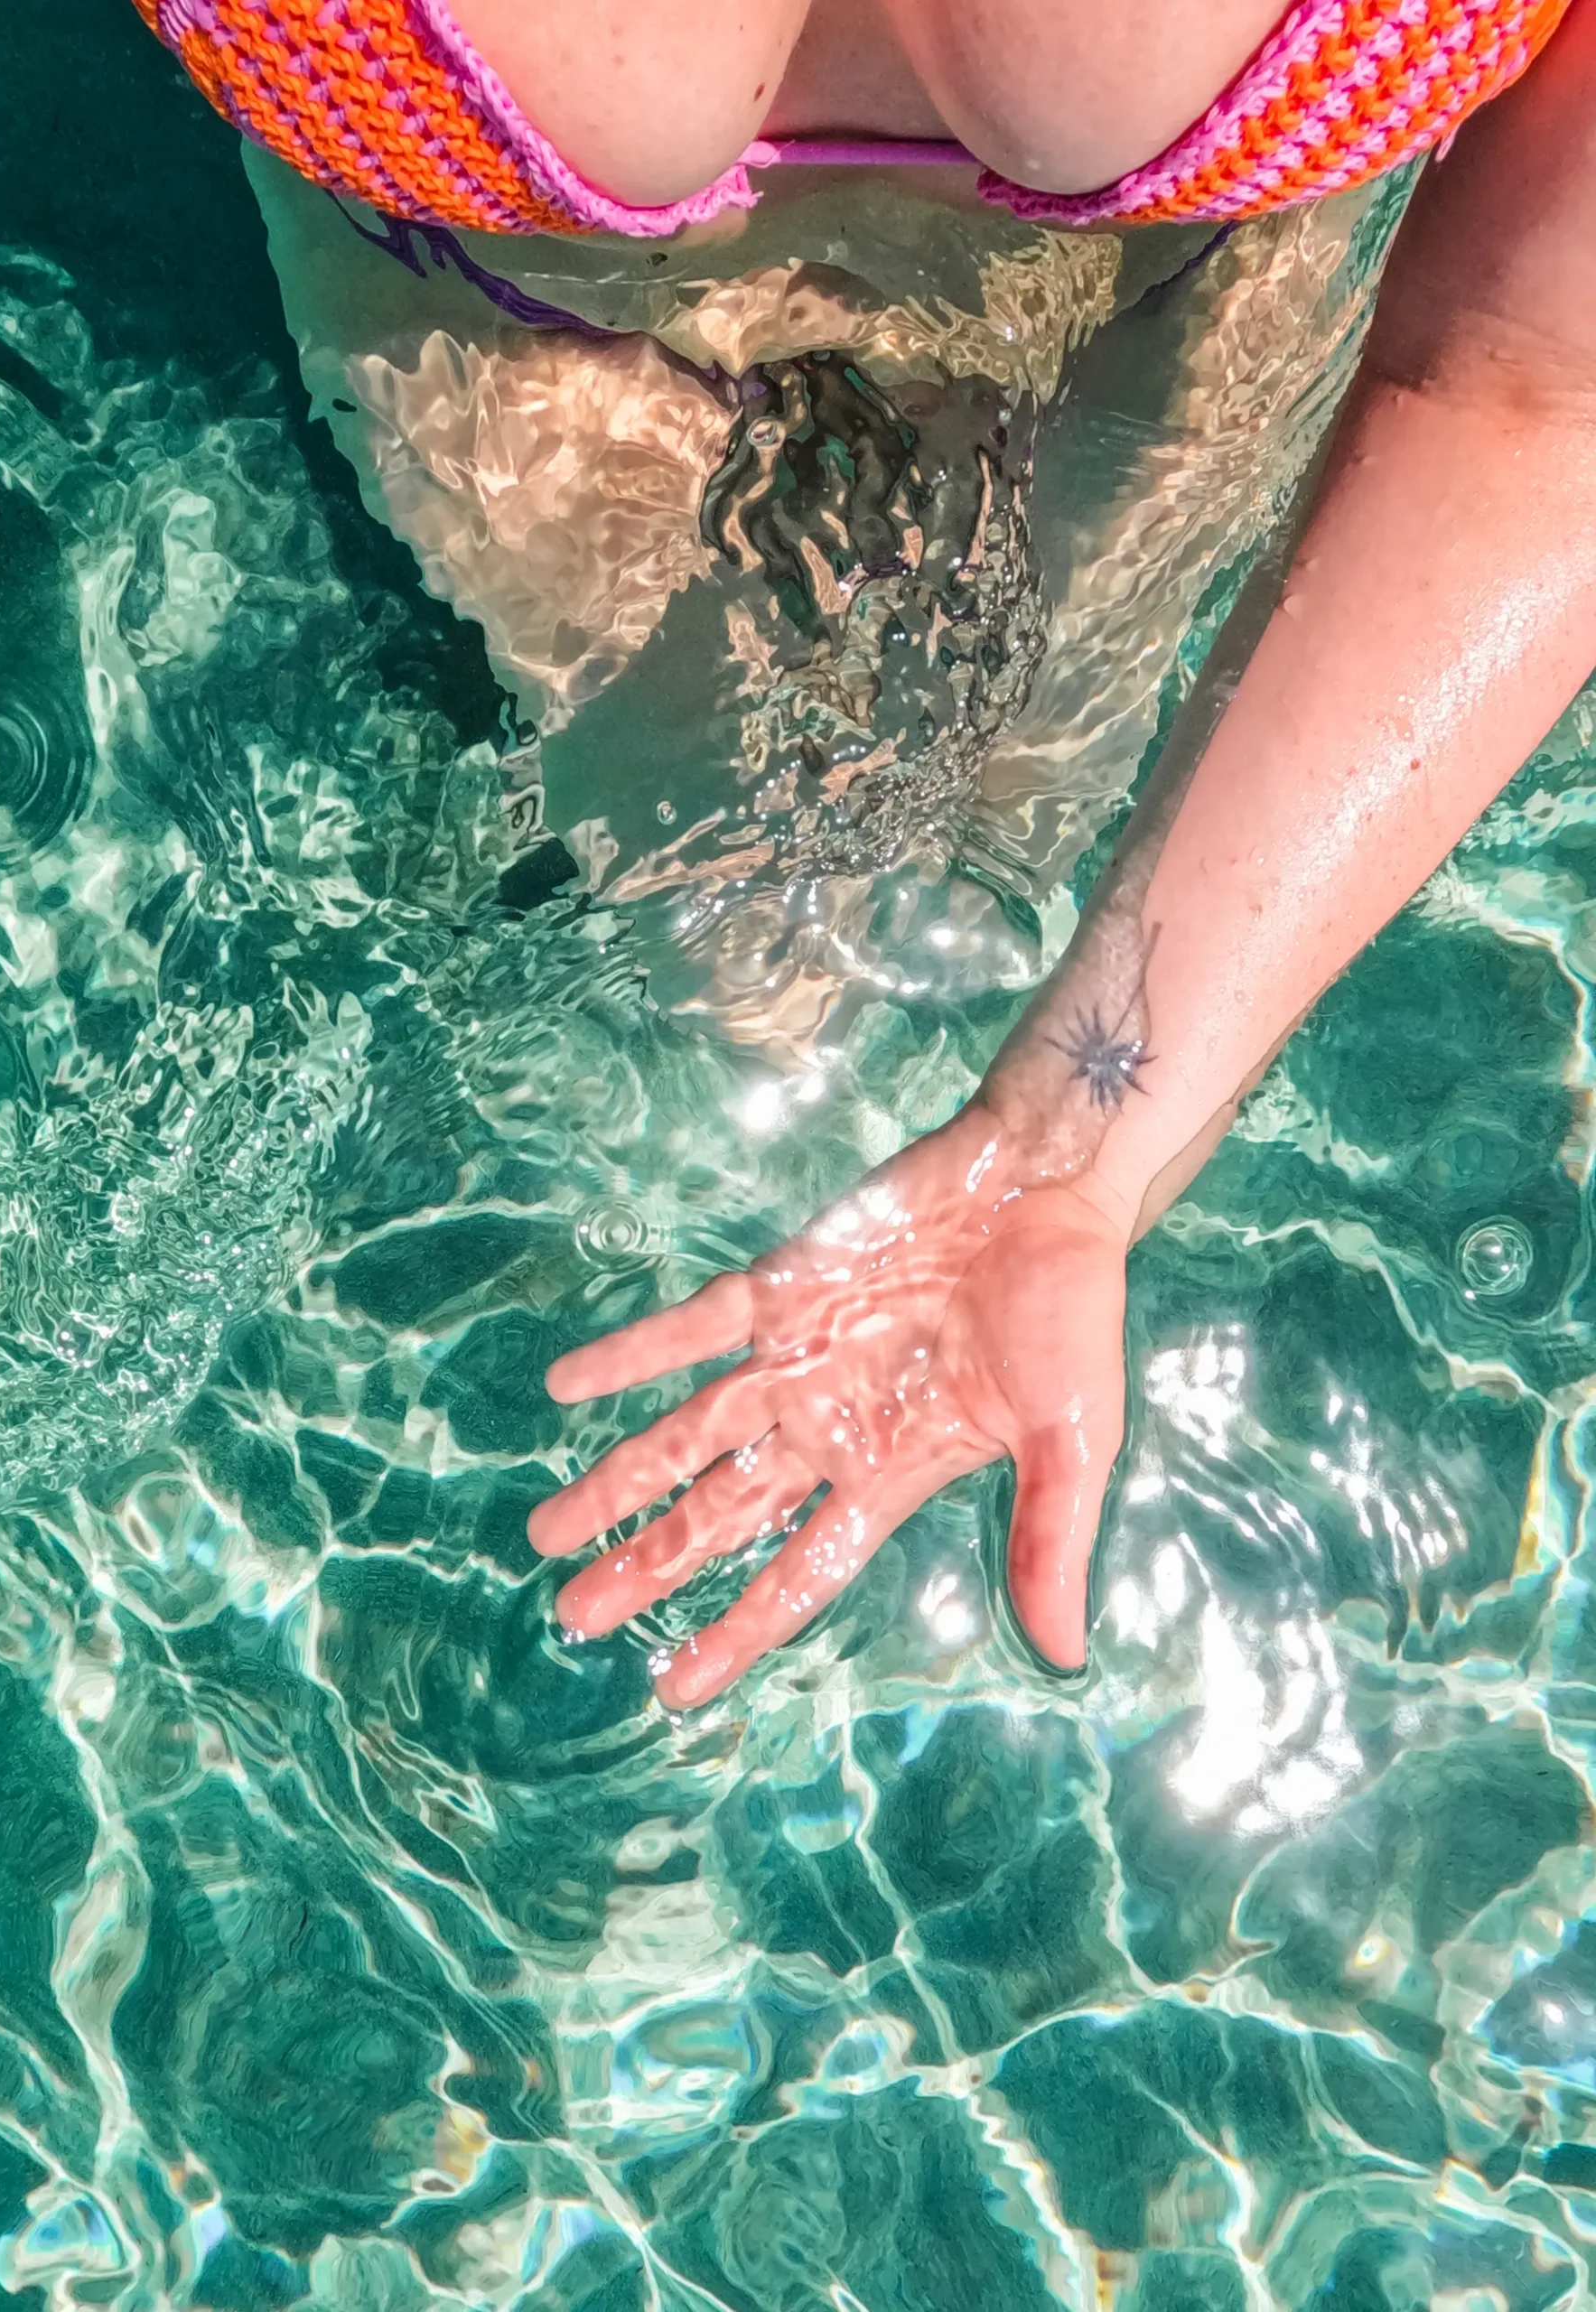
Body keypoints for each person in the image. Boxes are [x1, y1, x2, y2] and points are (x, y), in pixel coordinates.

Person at [140, 0, 1596, 1706]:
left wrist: (1076, 1141)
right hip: (536, 330)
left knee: (950, 904)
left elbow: (1538, 384)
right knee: (748, 998)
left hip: (1146, 296)